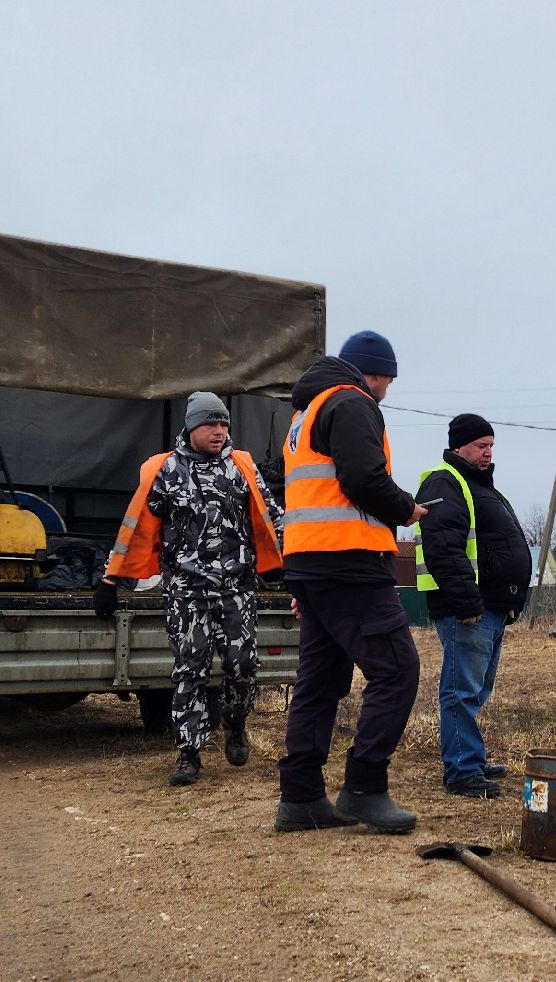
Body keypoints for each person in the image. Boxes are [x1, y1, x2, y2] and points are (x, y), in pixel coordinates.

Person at [273, 331, 428, 835]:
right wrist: (407, 509)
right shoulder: (354, 403)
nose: (388, 389)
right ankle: (364, 787)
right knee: (397, 670)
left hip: (310, 563)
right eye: (389, 378)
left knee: (321, 679)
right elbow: (362, 479)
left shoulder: (304, 415)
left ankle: (300, 798)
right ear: (376, 372)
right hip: (349, 562)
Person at [100, 391, 282, 786]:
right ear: (191, 426)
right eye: (210, 424)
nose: (218, 431)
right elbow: (136, 525)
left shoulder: (241, 468)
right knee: (190, 668)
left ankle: (234, 724)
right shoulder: (163, 471)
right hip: (186, 590)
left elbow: (272, 518)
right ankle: (189, 754)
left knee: (243, 664)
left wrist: (296, 564)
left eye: (223, 424)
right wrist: (111, 579)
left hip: (237, 588)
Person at [413, 414, 533, 798]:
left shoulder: (480, 486)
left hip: (489, 608)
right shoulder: (445, 481)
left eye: (491, 446)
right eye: (481, 446)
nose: (488, 453)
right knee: (460, 690)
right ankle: (462, 770)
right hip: (467, 609)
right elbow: (443, 548)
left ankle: (470, 758)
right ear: (459, 446)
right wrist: (466, 602)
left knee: (476, 689)